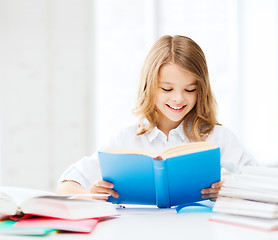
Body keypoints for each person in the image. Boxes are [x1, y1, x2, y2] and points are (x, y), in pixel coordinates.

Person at [56, 35, 257, 202]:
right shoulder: (126, 139)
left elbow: (264, 185)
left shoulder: (218, 137)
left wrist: (233, 192)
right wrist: (90, 197)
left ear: (201, 90)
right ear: (149, 86)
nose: (178, 98)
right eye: (167, 89)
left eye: (190, 89)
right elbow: (67, 185)